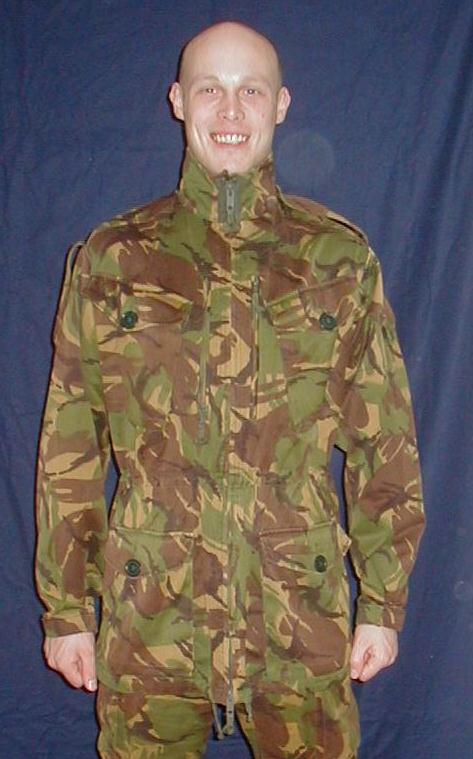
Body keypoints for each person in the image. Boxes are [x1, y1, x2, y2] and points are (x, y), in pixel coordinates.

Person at [36, 21, 425, 759]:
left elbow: (385, 441)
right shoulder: (115, 258)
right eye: (210, 88)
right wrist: (67, 609)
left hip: (298, 621)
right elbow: (69, 445)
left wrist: (383, 600)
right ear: (178, 100)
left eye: (251, 90)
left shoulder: (336, 259)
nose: (230, 110)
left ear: (281, 103)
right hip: (150, 621)